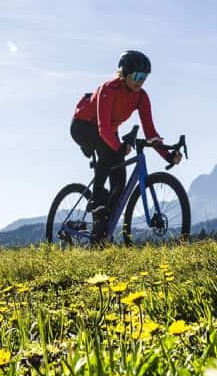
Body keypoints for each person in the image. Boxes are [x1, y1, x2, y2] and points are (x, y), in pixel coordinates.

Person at [70, 50, 181, 245]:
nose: (140, 81)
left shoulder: (141, 97)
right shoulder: (108, 89)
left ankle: (102, 231)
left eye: (144, 78)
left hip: (107, 132)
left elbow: (150, 133)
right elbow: (103, 128)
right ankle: (97, 204)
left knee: (119, 184)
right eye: (137, 76)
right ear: (124, 74)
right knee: (108, 152)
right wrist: (119, 147)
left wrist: (168, 156)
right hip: (83, 126)